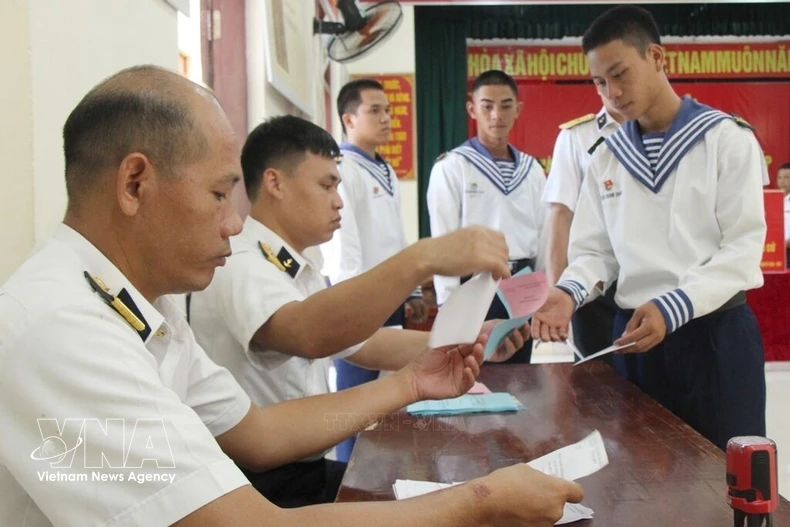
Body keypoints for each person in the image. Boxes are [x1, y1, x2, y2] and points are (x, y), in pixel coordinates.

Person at [0, 65, 582, 527]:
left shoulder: (147, 304)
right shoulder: (65, 327)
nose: (234, 223)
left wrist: (411, 382)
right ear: (134, 184)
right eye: (218, 194)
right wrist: (479, 502)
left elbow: (258, 433)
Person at [188, 115, 529, 506]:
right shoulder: (243, 263)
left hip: (299, 466)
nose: (338, 201)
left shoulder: (299, 265)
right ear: (275, 183)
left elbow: (360, 342)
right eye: (326, 185)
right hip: (258, 485)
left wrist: (469, 337)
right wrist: (421, 259)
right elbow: (308, 334)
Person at [531, 6, 768, 451]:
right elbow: (595, 253)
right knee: (642, 480)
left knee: (728, 479)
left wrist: (674, 305)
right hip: (636, 341)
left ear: (657, 57)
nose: (612, 93)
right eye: (599, 83)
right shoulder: (607, 154)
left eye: (620, 74)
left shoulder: (724, 140)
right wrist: (566, 293)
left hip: (713, 336)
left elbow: (742, 249)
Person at [319, 79, 425, 462]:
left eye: (388, 111)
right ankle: (349, 476)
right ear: (349, 118)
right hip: (360, 300)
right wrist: (352, 303)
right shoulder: (343, 169)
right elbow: (345, 246)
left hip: (389, 296)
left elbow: (394, 236)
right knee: (355, 400)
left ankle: (378, 476)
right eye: (374, 111)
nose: (386, 119)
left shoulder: (384, 169)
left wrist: (411, 290)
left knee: (385, 401)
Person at [427, 69, 547, 363]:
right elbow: (443, 238)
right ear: (472, 109)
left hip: (522, 282)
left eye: (506, 105)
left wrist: (543, 292)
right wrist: (447, 303)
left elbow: (545, 235)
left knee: (522, 377)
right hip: (475, 284)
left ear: (518, 109)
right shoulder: (453, 167)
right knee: (472, 376)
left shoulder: (531, 170)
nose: (497, 115)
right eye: (487, 106)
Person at [543, 97, 623, 359]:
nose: (613, 90)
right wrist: (559, 292)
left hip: (650, 283)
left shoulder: (662, 129)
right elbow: (561, 216)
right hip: (593, 286)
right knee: (597, 379)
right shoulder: (577, 136)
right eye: (601, 81)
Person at [778, 162, 790, 266]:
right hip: (775, 250)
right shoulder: (772, 201)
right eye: (780, 178)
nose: (782, 181)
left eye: (786, 178)